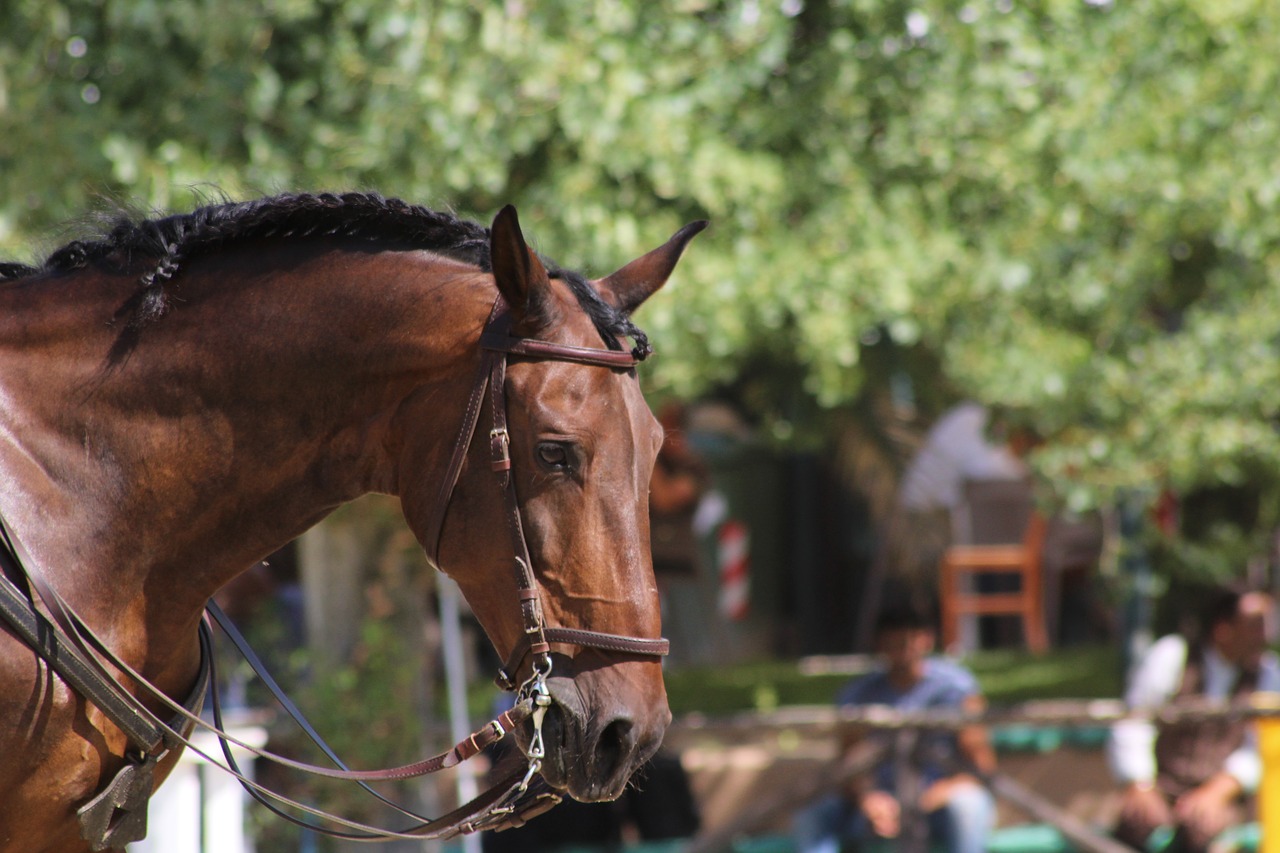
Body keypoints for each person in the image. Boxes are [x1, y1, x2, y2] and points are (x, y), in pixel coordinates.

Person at [793, 599, 997, 853]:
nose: (902, 652)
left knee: (968, 806)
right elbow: (847, 766)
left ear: (926, 640)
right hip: (878, 806)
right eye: (893, 644)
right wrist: (869, 799)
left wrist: (928, 799)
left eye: (908, 642)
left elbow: (981, 767)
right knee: (813, 816)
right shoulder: (858, 695)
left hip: (938, 805)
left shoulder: (956, 690)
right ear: (879, 645)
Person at [1109, 584, 1280, 852]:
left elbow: (1257, 748)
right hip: (1161, 784)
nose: (1265, 634)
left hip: (1223, 793)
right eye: (1255, 624)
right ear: (1223, 629)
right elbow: (1134, 722)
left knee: (1204, 829)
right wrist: (1140, 785)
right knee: (1134, 824)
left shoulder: (1268, 673)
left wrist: (1218, 792)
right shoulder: (1172, 655)